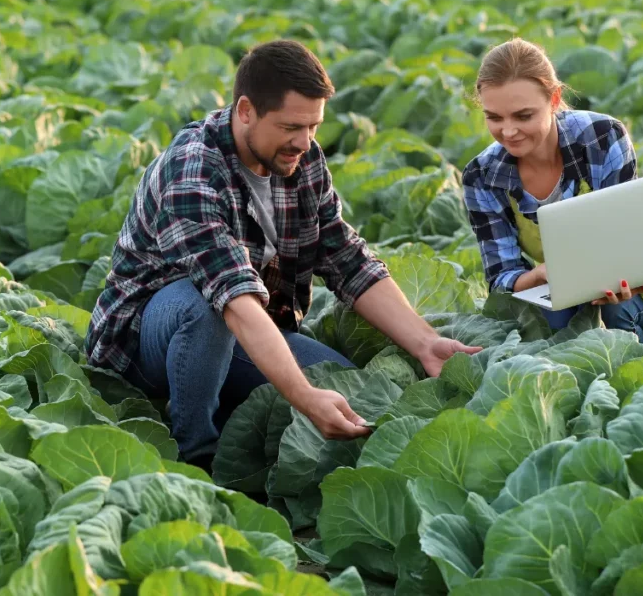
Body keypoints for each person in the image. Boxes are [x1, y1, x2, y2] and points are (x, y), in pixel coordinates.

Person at [85, 40, 481, 471]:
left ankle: (226, 409)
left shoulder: (301, 159)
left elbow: (346, 258)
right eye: (291, 126)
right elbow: (233, 297)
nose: (304, 142)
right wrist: (303, 396)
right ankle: (195, 455)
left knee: (347, 389)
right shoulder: (192, 171)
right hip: (147, 343)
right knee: (205, 305)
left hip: (245, 331)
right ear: (245, 111)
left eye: (314, 126)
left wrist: (425, 342)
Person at [462, 37, 643, 354]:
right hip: (565, 288)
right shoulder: (481, 175)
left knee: (616, 310)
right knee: (553, 319)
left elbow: (629, 244)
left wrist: (625, 275)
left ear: (554, 99)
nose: (508, 131)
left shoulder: (602, 137)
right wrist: (537, 275)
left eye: (523, 116)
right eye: (494, 117)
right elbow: (501, 278)